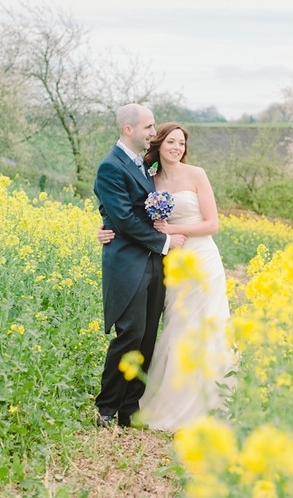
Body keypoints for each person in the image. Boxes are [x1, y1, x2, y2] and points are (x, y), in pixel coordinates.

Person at [97, 122, 234, 432]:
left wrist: (173, 230)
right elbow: (128, 211)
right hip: (170, 262)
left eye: (181, 143)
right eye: (171, 141)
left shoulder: (197, 174)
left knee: (208, 327)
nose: (177, 147)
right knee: (177, 327)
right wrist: (107, 229)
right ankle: (165, 401)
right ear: (158, 144)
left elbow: (212, 224)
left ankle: (209, 402)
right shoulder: (149, 178)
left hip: (202, 258)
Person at [93, 104, 187, 429]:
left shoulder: (143, 164)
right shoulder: (111, 166)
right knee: (129, 334)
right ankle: (105, 407)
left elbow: (132, 211)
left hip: (154, 266)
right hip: (129, 264)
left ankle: (129, 410)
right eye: (148, 126)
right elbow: (124, 218)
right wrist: (164, 242)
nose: (153, 132)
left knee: (147, 337)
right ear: (128, 129)